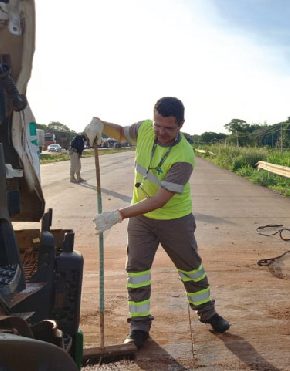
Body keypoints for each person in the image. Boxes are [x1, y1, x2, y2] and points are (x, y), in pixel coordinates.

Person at [84, 97, 230, 349]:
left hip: (174, 219)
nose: (161, 133)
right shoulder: (144, 130)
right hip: (141, 219)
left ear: (181, 125)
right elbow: (120, 132)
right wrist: (99, 124)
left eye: (168, 128)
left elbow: (161, 199)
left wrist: (119, 214)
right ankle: (139, 326)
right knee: (137, 271)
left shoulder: (184, 156)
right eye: (157, 125)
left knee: (191, 268)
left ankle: (208, 313)